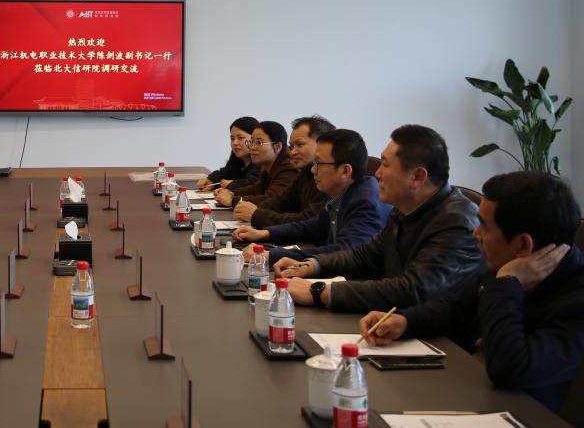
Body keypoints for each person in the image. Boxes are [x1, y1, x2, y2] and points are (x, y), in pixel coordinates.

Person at [360, 171, 584, 412]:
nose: (475, 234)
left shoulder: (575, 299)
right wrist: (405, 321)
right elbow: (455, 308)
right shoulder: (505, 259)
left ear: (522, 245)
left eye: (484, 226)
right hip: (467, 386)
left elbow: (510, 368)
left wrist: (507, 283)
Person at [277, 124, 482, 313]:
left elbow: (412, 289)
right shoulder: (403, 210)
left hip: (436, 335)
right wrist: (312, 265)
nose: (377, 173)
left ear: (418, 177)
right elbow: (363, 256)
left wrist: (319, 291)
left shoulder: (456, 222)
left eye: (385, 164)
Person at [232, 129, 388, 266]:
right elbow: (312, 227)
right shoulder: (340, 191)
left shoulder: (366, 203)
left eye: (319, 163)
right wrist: (265, 233)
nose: (313, 169)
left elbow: (343, 252)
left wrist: (270, 256)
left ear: (345, 170)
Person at [232, 115, 334, 226]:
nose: (293, 152)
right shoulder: (304, 173)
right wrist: (251, 210)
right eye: (292, 146)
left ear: (323, 145)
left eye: (300, 144)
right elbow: (279, 201)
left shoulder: (293, 170)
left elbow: (308, 221)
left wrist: (255, 213)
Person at [214, 120, 298, 211]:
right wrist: (231, 193)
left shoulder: (289, 170)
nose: (252, 147)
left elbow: (270, 200)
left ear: (277, 147)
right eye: (251, 142)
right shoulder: (267, 167)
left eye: (259, 142)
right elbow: (255, 189)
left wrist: (233, 200)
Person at [197, 116, 261, 192]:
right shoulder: (237, 160)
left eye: (240, 138)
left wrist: (233, 185)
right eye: (232, 138)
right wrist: (211, 181)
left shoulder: (262, 162)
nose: (235, 143)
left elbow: (254, 183)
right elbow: (223, 174)